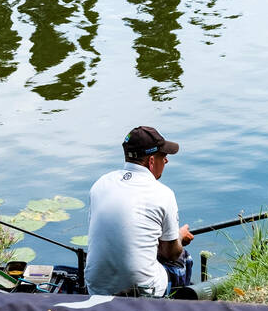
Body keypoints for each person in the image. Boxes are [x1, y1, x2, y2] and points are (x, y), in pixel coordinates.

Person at [83, 126, 195, 297]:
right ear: (151, 161)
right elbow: (169, 253)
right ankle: (172, 309)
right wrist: (179, 237)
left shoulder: (101, 184)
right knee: (182, 258)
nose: (166, 161)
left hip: (97, 288)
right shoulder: (163, 193)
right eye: (163, 156)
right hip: (142, 292)